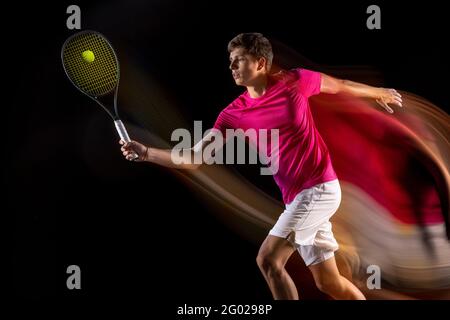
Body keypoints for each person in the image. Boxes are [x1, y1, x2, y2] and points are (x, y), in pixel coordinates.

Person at [119, 33, 402, 300]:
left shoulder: (296, 81)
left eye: (238, 59)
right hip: (298, 199)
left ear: (261, 62)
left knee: (268, 259)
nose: (231, 65)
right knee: (328, 283)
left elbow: (339, 85)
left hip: (320, 189)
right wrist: (146, 153)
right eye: (230, 60)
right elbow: (194, 158)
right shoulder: (233, 114)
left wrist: (378, 92)